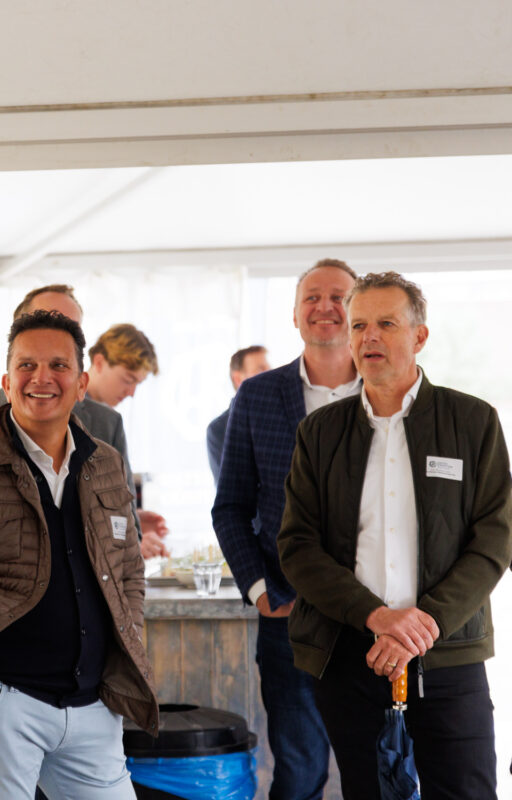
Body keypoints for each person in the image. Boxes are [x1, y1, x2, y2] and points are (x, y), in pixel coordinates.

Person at [277, 271, 512, 800]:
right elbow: (298, 546)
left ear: (419, 336)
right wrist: (378, 618)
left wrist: (423, 624)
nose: (369, 337)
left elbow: (494, 540)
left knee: (468, 790)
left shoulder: (473, 421)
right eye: (359, 325)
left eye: (386, 323)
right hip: (351, 656)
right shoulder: (320, 432)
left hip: (449, 654)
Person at [0, 310, 158, 800]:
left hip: (94, 704)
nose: (41, 378)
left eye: (58, 365)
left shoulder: (106, 462)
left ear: (82, 383)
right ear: (6, 382)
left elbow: (128, 569)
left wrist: (125, 643)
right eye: (27, 365)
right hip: (1, 705)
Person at [212, 258, 360, 800]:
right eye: (312, 297)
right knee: (298, 772)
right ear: (295, 315)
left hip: (381, 613)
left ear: (359, 312)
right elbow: (230, 505)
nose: (325, 307)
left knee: (387, 766)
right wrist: (259, 590)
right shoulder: (256, 396)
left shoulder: (390, 389)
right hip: (290, 613)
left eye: (339, 296)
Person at [0, 285, 168, 559]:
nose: (56, 332)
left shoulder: (107, 423)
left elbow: (126, 537)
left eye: (71, 326)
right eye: (45, 320)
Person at [86, 323, 169, 551]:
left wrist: (133, 519)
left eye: (137, 384)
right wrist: (130, 542)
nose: (131, 393)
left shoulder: (107, 420)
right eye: (128, 379)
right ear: (99, 362)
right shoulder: (71, 414)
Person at [206, 345, 270, 483]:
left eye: (269, 368)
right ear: (238, 379)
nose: (270, 374)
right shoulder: (219, 429)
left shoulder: (278, 418)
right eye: (261, 369)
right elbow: (227, 485)